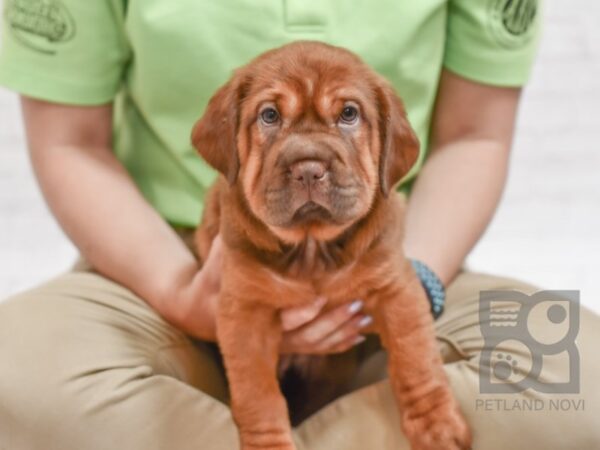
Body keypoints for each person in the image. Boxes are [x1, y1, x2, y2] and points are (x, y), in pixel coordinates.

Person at [0, 0, 598, 449]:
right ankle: (280, 429)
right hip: (164, 263)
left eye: (345, 117)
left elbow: (476, 134)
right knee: (14, 374)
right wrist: (180, 291)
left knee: (582, 379)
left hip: (406, 253)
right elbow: (69, 144)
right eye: (269, 118)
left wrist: (414, 278)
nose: (310, 161)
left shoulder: (393, 222)